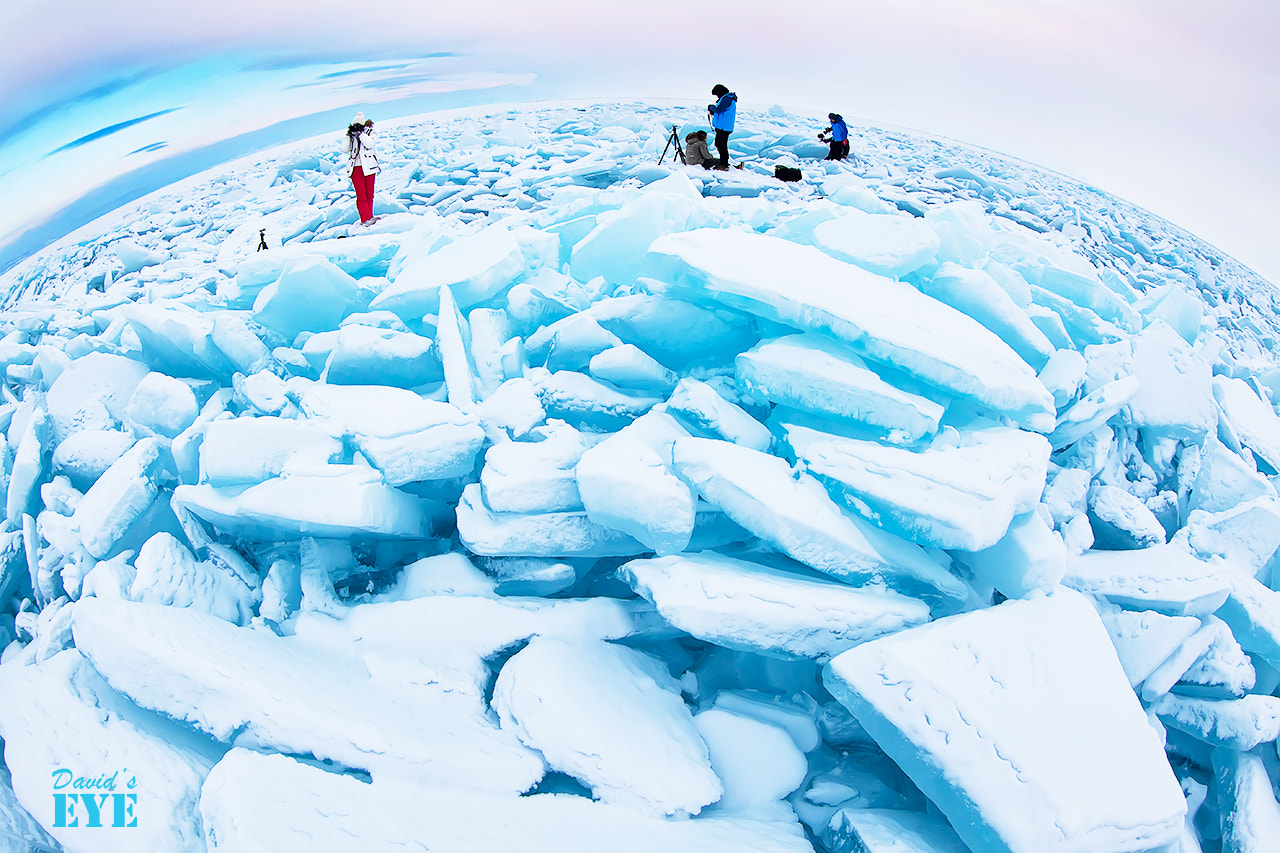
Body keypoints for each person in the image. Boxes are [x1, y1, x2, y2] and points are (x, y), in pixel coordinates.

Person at [346, 112, 380, 226]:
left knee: (369, 194)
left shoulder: (370, 132)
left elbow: (369, 143)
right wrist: (348, 134)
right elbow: (344, 148)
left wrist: (360, 133)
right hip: (356, 168)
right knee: (361, 195)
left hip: (369, 167)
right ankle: (366, 219)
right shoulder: (351, 135)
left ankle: (370, 216)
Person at [706, 84, 737, 170]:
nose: (716, 96)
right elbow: (721, 111)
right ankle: (723, 162)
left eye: (716, 94)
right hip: (723, 127)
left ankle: (724, 164)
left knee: (721, 145)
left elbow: (718, 109)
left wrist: (711, 107)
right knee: (719, 144)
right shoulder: (727, 98)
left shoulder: (727, 99)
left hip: (724, 127)